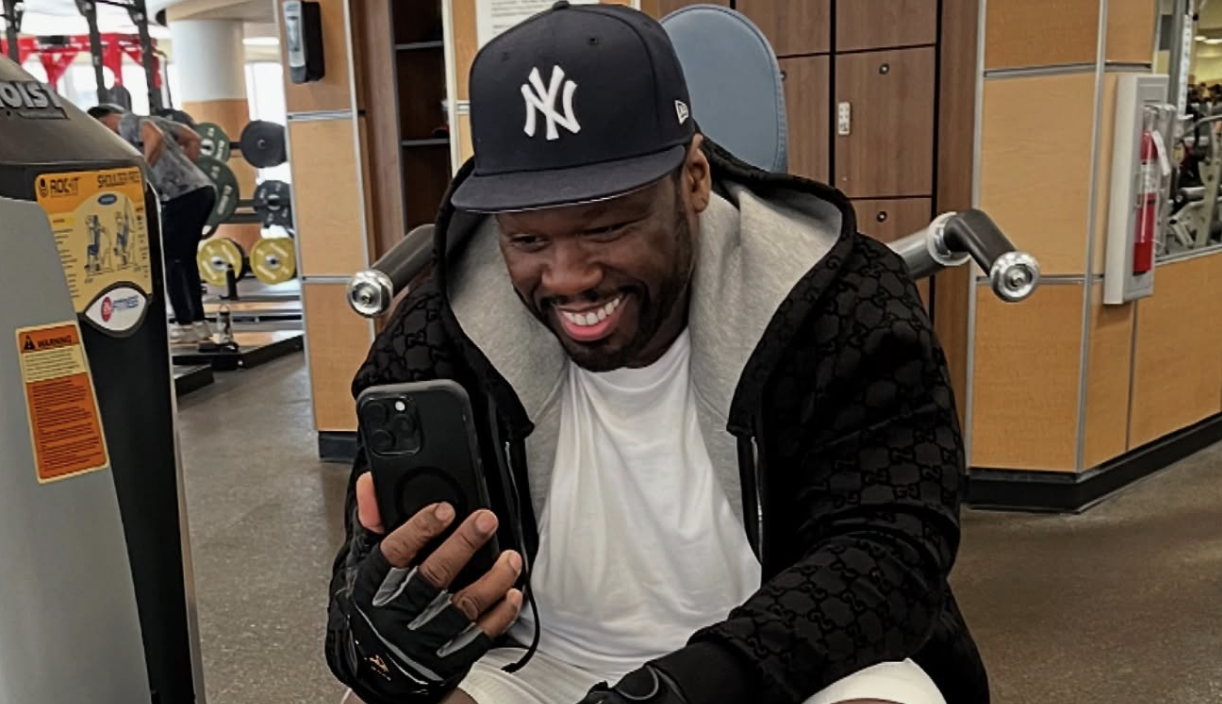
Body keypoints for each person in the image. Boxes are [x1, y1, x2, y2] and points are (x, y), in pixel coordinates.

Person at [326, 4, 988, 704]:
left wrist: (685, 687)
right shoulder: (436, 331)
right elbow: (362, 592)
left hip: (780, 665)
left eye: (607, 228)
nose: (568, 277)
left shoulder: (844, 301)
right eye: (528, 240)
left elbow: (889, 555)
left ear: (694, 179)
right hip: (531, 664)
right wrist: (374, 645)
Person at [88, 104, 216, 343]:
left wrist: (144, 172)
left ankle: (185, 324)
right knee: (185, 259)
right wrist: (184, 170)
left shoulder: (127, 122)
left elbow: (153, 136)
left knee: (169, 259)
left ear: (103, 122)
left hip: (182, 196)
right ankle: (200, 323)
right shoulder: (158, 120)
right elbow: (193, 138)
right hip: (201, 189)